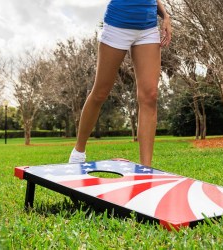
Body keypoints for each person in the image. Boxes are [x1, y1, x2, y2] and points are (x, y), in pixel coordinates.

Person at [69, 0, 172, 166]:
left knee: (150, 96)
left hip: (148, 28)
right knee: (100, 92)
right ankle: (78, 153)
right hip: (118, 24)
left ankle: (146, 168)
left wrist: (165, 16)